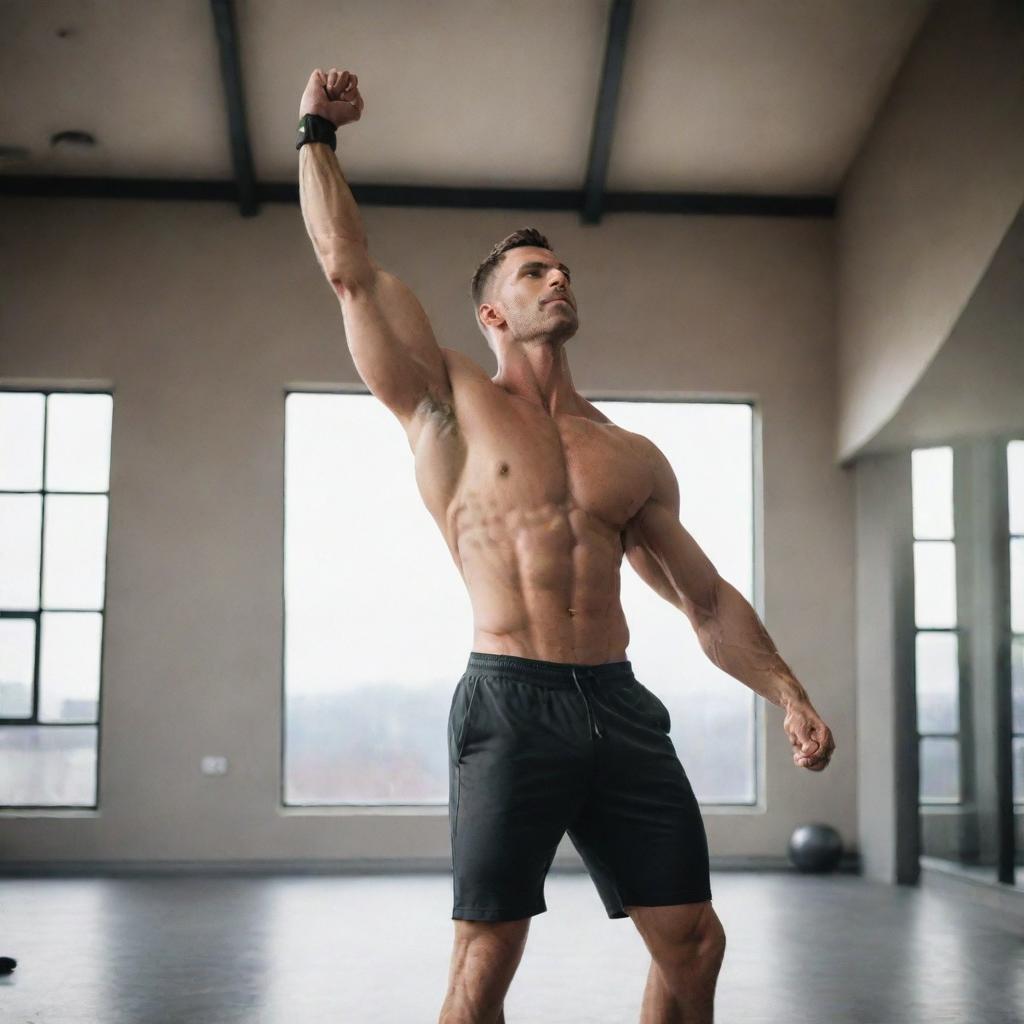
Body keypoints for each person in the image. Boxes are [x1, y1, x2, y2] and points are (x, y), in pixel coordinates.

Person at [296, 68, 836, 1024]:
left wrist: (788, 692)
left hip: (619, 706)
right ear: (493, 313)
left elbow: (702, 600)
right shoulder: (446, 402)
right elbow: (348, 267)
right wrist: (316, 132)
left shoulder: (627, 455)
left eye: (564, 269)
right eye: (534, 273)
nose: (558, 279)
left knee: (695, 944)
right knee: (486, 958)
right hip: (512, 701)